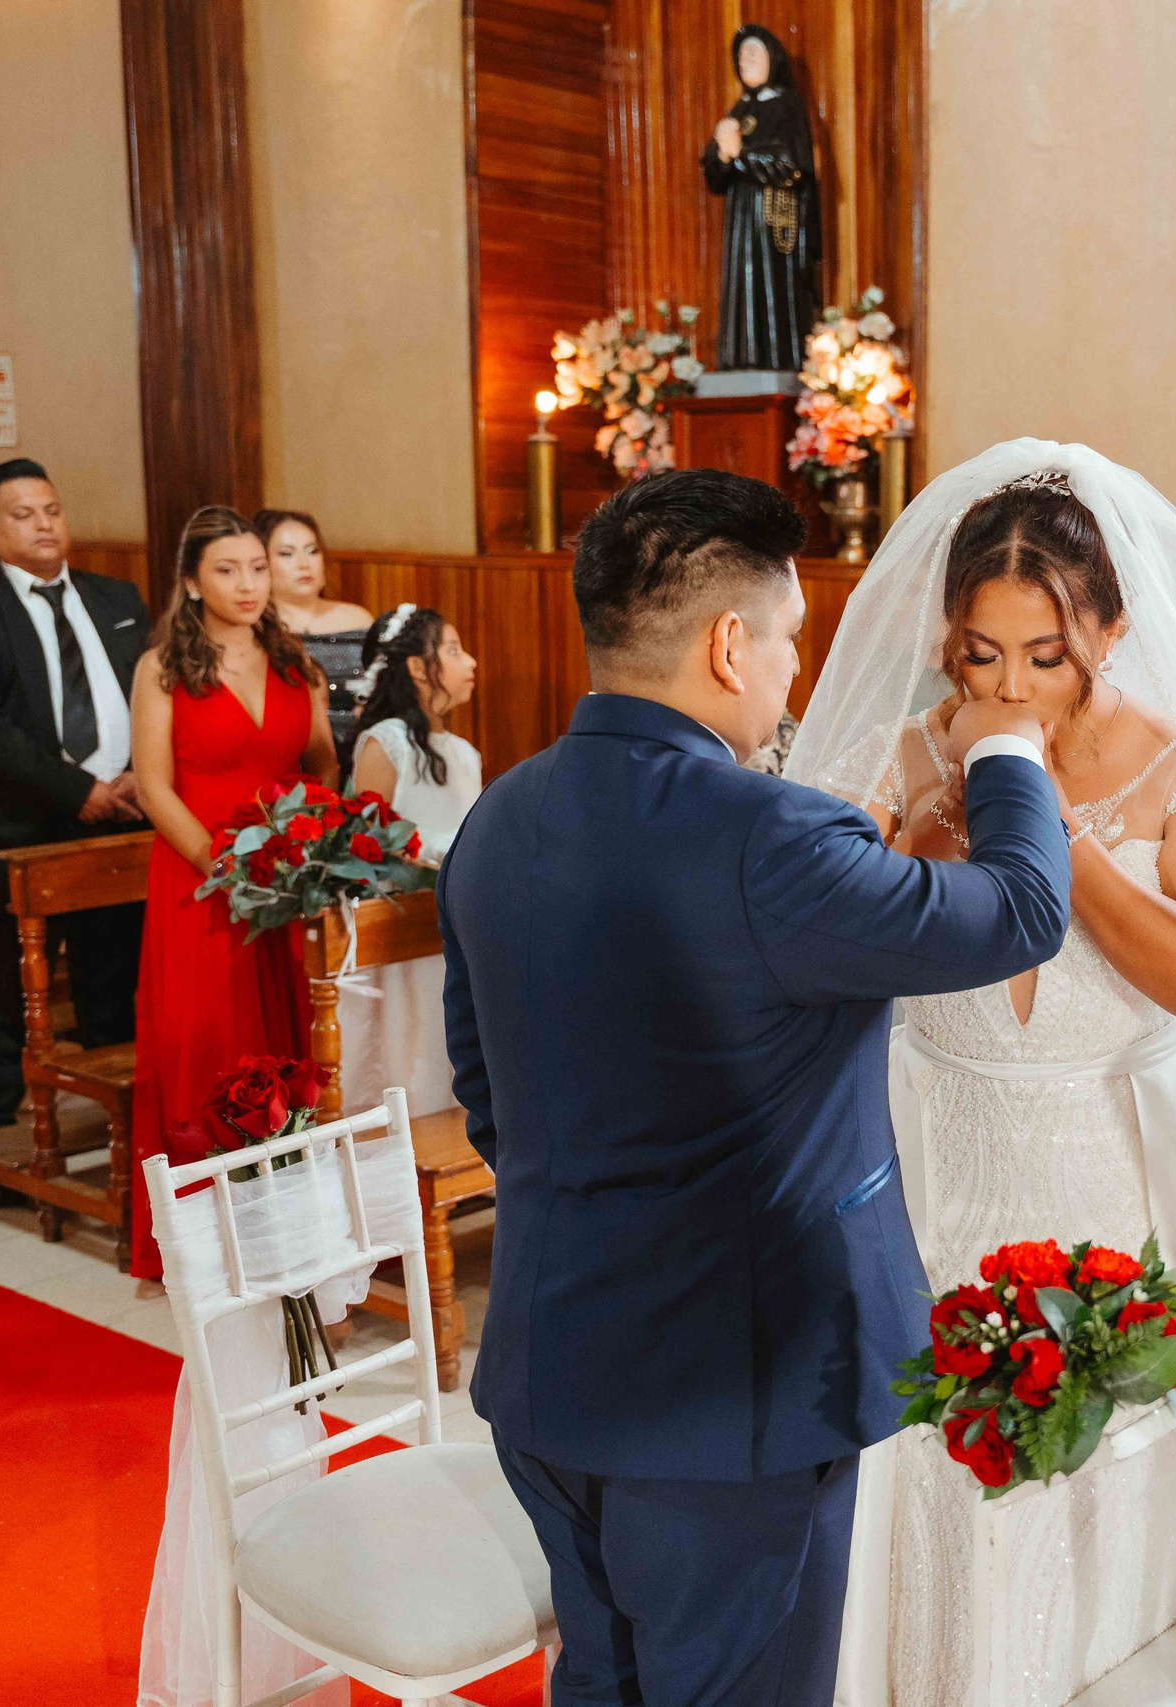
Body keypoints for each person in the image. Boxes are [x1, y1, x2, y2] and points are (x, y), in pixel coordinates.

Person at [790, 444, 1176, 1707]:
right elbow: (813, 958)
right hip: (934, 1159)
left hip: (1112, 1166)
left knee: (1106, 1441)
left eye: (1046, 655)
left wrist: (1045, 836)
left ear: (1112, 631)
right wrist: (919, 841)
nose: (1010, 685)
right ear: (944, 635)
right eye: (981, 653)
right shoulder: (892, 759)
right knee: (930, 1449)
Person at [440, 466, 1069, 1707]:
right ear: (730, 644)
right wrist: (1007, 748)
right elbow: (1024, 908)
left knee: (602, 1685)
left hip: (552, 1372)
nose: (794, 669)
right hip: (732, 1407)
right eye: (788, 638)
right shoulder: (771, 838)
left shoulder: (499, 817)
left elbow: (488, 1095)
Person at [128, 506, 335, 1283]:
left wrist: (305, 844)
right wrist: (226, 867)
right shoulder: (162, 668)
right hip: (201, 880)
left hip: (281, 879)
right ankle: (202, 1241)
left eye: (257, 567)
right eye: (228, 569)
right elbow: (153, 785)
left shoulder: (294, 660)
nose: (249, 583)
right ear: (190, 580)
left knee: (286, 1040)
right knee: (206, 1044)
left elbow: (321, 764)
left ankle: (284, 1228)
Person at [0, 458, 148, 1135]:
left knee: (114, 979)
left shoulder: (116, 598)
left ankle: (126, 1131)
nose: (44, 524)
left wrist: (143, 772)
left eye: (51, 509)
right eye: (24, 514)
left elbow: (152, 693)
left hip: (127, 813)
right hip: (25, 825)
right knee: (10, 990)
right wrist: (78, 788)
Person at [335, 602, 481, 1118]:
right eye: (454, 650)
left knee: (448, 1042)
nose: (471, 663)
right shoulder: (385, 742)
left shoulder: (462, 752)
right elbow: (372, 836)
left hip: (447, 928)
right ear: (417, 668)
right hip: (397, 926)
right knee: (405, 1046)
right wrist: (446, 856)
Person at [701, 25, 821, 373]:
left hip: (775, 220)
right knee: (742, 285)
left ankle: (776, 360)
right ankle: (740, 358)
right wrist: (722, 158)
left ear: (773, 59)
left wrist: (740, 155)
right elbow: (714, 176)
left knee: (772, 287)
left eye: (754, 53)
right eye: (741, 55)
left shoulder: (787, 107)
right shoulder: (738, 110)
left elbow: (791, 163)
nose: (746, 60)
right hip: (742, 218)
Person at [252, 508, 371, 764]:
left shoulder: (358, 618)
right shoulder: (255, 627)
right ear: (261, 564)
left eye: (312, 551)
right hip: (288, 756)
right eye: (287, 553)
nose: (304, 563)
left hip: (363, 751)